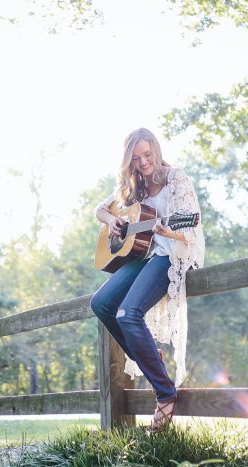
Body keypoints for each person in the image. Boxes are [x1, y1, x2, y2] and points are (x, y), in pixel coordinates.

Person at [90, 128, 205, 433]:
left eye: (147, 155)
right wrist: (113, 222)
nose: (143, 163)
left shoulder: (175, 177)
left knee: (128, 314)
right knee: (101, 303)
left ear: (156, 149)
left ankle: (165, 394)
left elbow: (190, 225)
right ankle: (149, 354)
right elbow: (99, 210)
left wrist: (169, 231)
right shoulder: (135, 186)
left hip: (170, 253)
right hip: (143, 255)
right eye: (136, 158)